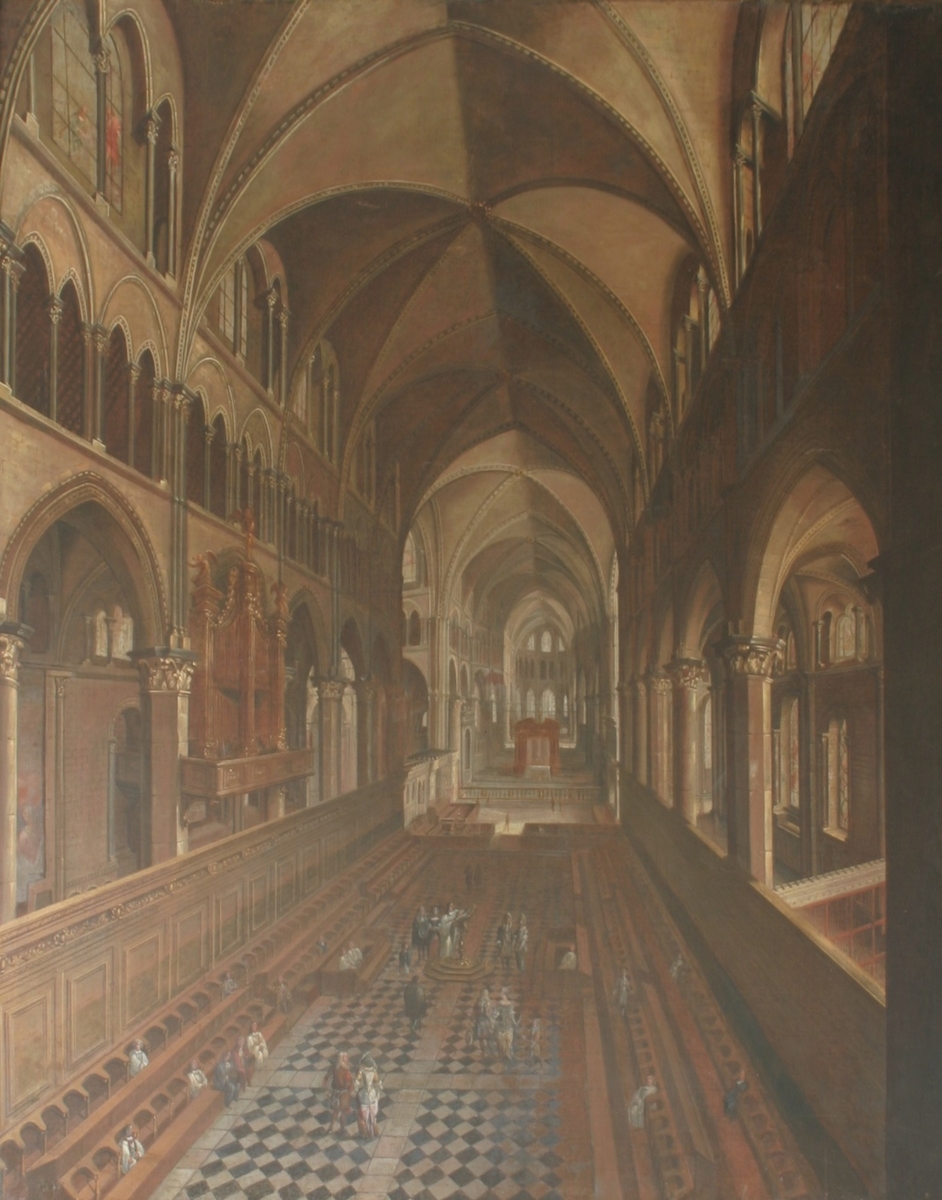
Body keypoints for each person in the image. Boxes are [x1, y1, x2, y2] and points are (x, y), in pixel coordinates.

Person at [325, 1051, 355, 1133]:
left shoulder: (336, 1067)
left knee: (339, 1111)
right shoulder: (342, 1069)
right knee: (341, 1110)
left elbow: (326, 1078)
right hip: (343, 1093)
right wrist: (349, 1085)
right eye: (345, 1057)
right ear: (342, 1059)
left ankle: (335, 1127)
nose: (347, 1058)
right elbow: (342, 1084)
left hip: (338, 1093)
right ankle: (337, 1128)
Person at [354, 1053, 382, 1139]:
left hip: (364, 1095)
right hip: (372, 1094)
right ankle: (375, 1131)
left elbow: (356, 1082)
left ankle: (365, 1133)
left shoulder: (361, 1071)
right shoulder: (373, 1071)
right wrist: (377, 1092)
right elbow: (377, 1082)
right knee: (373, 1117)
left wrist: (356, 1088)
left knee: (363, 1116)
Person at [495, 988, 519, 1060]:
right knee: (501, 1042)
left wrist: (515, 1023)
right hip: (500, 1025)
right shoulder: (499, 1004)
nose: (501, 994)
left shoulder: (510, 1005)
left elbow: (511, 1016)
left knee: (508, 1042)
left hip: (508, 1026)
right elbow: (495, 1014)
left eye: (502, 993)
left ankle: (507, 1053)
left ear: (505, 995)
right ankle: (502, 1054)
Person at [474, 987, 494, 1054]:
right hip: (486, 1022)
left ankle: (483, 1052)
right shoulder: (487, 1002)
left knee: (481, 1038)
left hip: (479, 1022)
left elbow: (474, 1013)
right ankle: (491, 1052)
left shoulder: (477, 1002)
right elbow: (487, 1013)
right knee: (488, 1038)